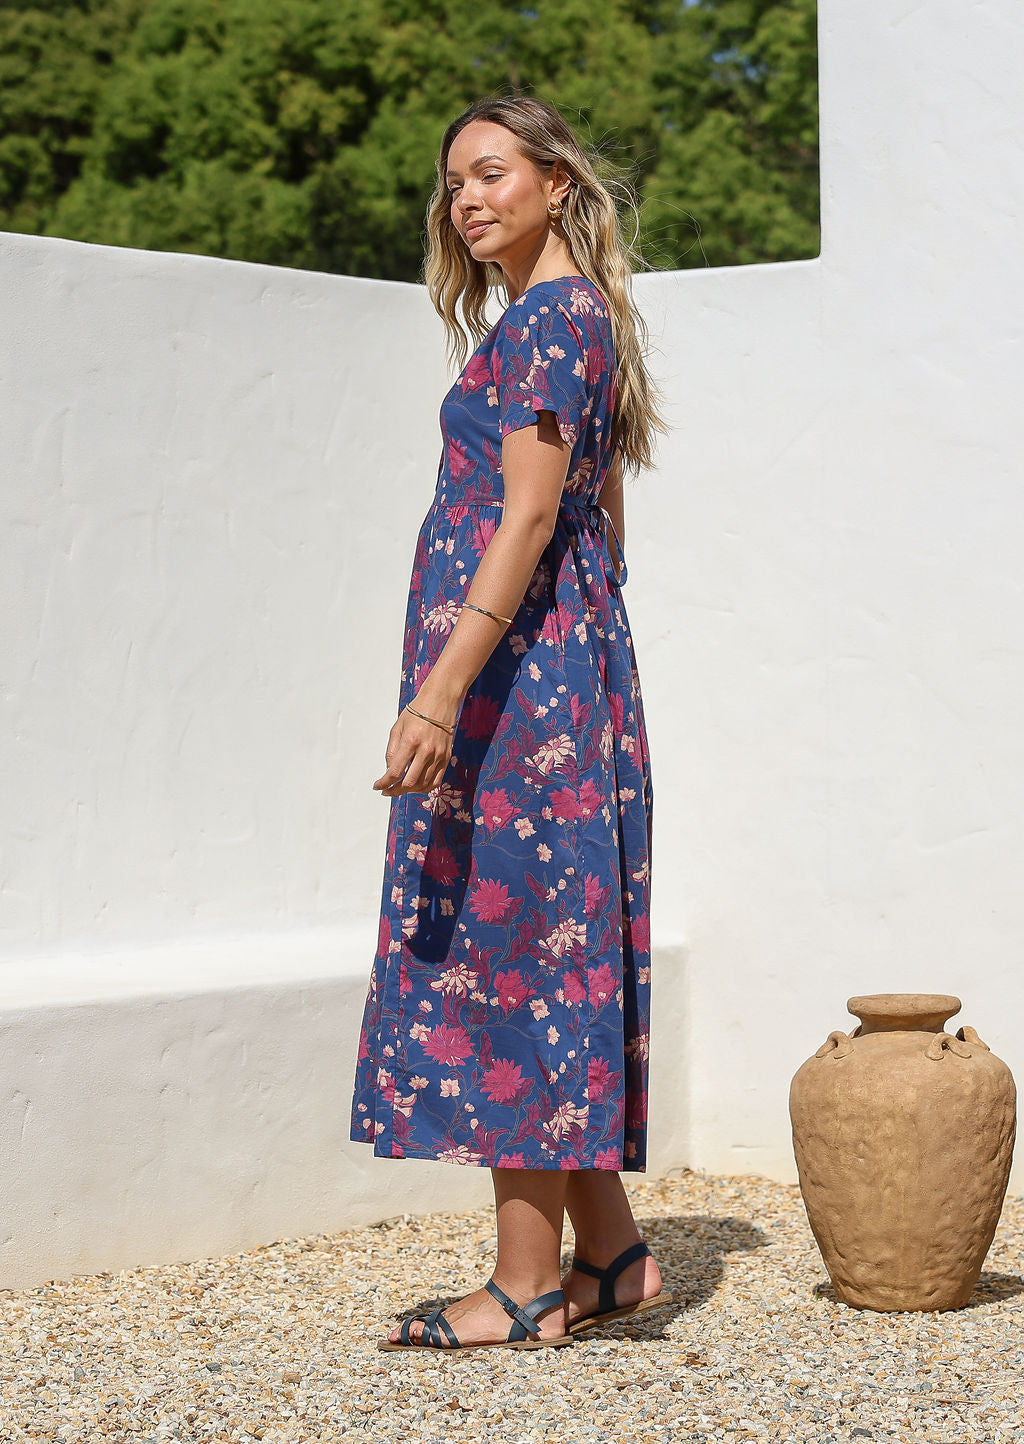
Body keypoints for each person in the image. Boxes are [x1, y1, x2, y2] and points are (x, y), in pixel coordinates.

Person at [349, 92, 670, 1352]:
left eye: (491, 174)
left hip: (510, 687)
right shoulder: (576, 321)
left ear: (555, 184)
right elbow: (603, 532)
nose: (468, 198)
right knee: (545, 946)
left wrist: (443, 689)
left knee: (510, 961)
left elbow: (532, 520)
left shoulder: (549, 324)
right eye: (454, 184)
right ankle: (614, 1257)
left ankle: (525, 1285)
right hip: (547, 674)